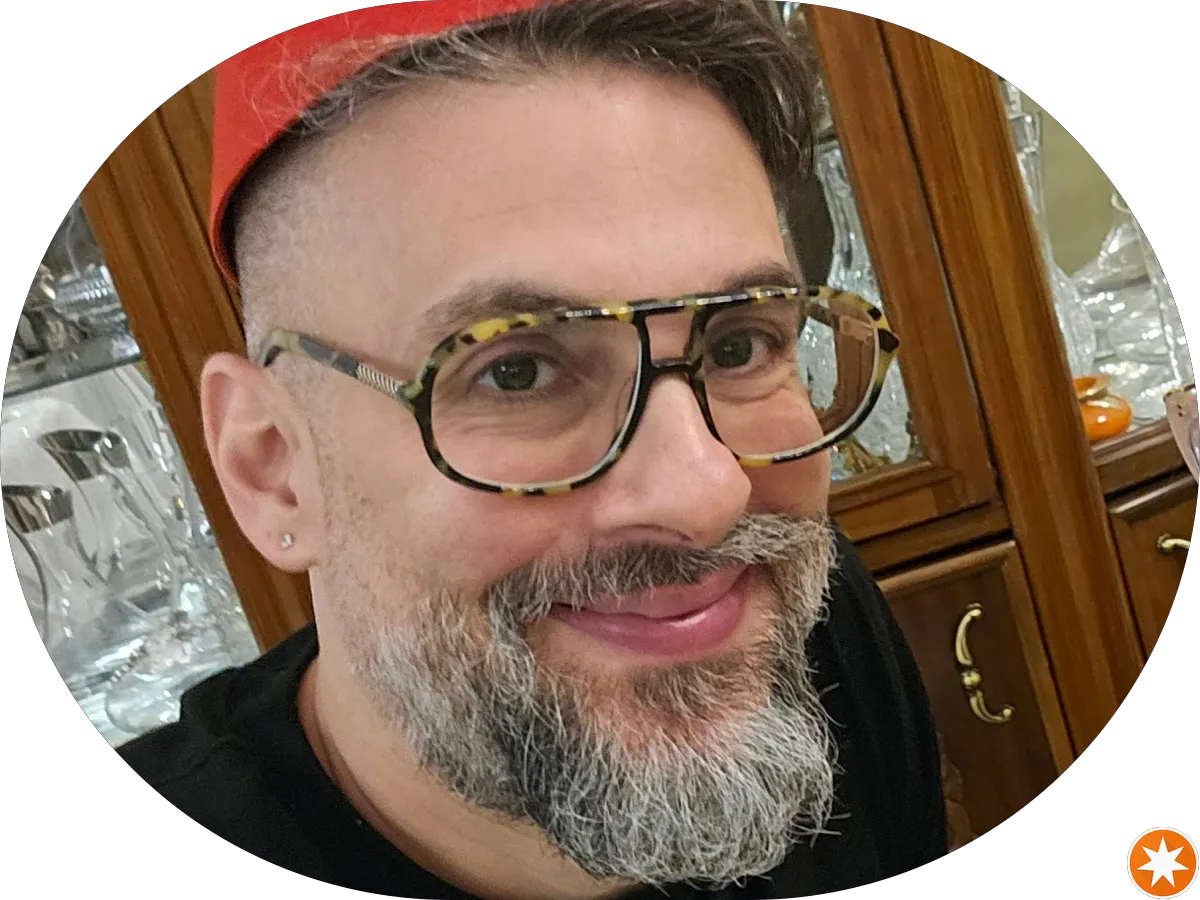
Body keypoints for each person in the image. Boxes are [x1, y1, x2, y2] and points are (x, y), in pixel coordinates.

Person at [115, 1, 948, 897]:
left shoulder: (793, 626)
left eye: (741, 345)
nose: (708, 495)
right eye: (516, 372)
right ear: (272, 466)